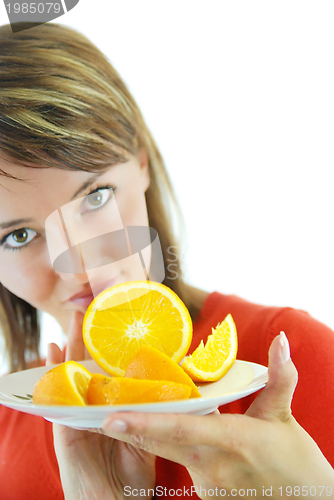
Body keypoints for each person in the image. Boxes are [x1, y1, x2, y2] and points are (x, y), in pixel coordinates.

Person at [0, 21, 333, 500]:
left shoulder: (293, 358)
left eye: (95, 196)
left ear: (141, 162)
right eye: (20, 235)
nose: (78, 265)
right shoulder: (8, 430)